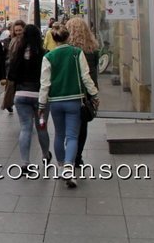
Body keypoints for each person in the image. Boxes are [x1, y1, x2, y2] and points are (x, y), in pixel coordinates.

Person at [38, 24, 99, 188]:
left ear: (54, 39)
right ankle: (69, 169)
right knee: (72, 136)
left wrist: (41, 104)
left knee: (59, 134)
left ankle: (60, 166)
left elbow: (45, 84)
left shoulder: (48, 57)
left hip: (55, 101)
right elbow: (85, 77)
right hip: (74, 100)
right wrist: (94, 95)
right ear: (68, 37)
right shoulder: (76, 53)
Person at [7, 24, 51, 173]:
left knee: (25, 128)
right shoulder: (44, 54)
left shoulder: (18, 53)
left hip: (21, 96)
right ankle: (46, 155)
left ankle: (25, 163)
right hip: (40, 97)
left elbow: (11, 75)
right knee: (41, 128)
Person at [66, 17, 100, 167]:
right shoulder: (92, 48)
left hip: (70, 91)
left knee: (70, 126)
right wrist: (94, 94)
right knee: (83, 124)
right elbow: (93, 71)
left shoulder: (67, 49)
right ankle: (78, 156)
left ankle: (70, 154)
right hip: (87, 91)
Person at [1, 19, 26, 113]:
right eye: (16, 31)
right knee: (10, 88)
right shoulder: (9, 41)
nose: (18, 32)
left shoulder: (26, 41)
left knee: (19, 88)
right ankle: (8, 103)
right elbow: (5, 56)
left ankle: (14, 103)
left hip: (23, 68)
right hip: (11, 68)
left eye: (20, 30)